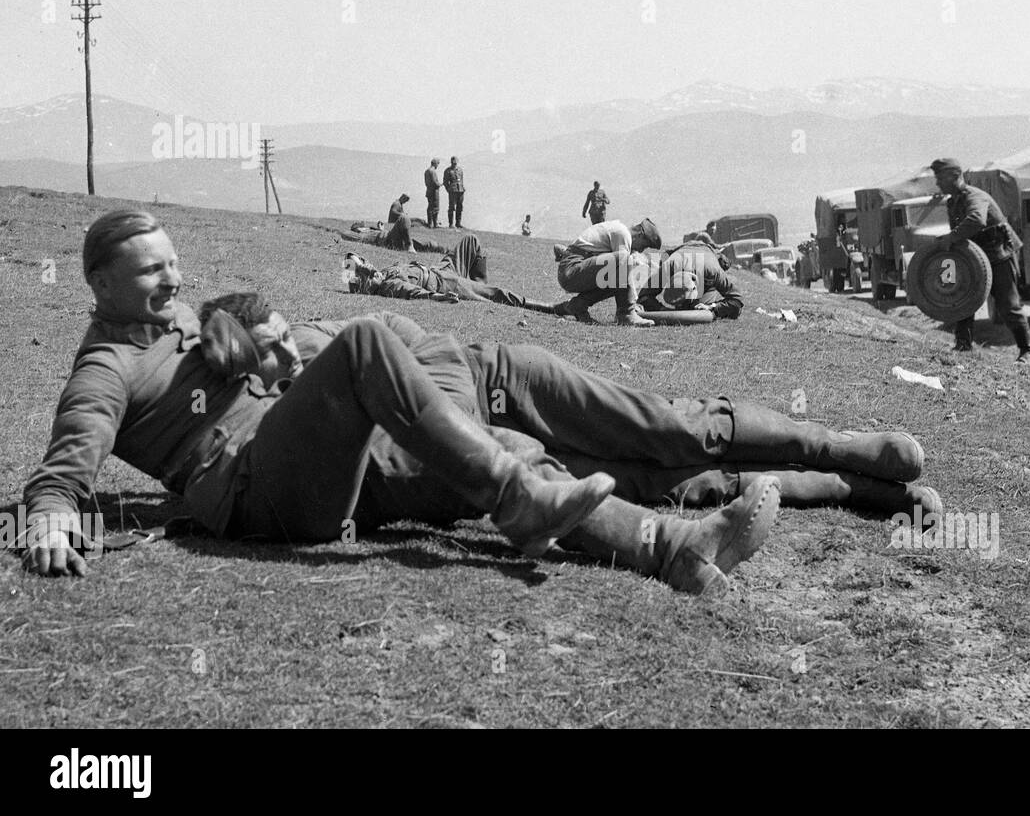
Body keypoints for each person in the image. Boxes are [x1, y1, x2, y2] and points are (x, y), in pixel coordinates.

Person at [17, 209, 619, 578]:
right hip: (258, 493)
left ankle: (667, 546)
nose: (172, 279)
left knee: (504, 441)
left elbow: (238, 343)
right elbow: (62, 472)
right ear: (100, 283)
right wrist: (48, 519)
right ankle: (515, 502)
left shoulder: (173, 319)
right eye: (152, 271)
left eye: (173, 264)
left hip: (298, 459)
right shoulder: (103, 369)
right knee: (363, 344)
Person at [203, 295, 939, 559]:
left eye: (283, 336)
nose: (283, 354)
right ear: (243, 370)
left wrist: (434, 408)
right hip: (490, 447)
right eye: (265, 355)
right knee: (656, 483)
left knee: (663, 427)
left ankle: (838, 443)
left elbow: (407, 336)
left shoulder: (336, 337)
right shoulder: (282, 424)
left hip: (503, 378)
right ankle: (846, 486)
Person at [930, 158, 1030, 363]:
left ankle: (1029, 351)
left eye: (940, 178)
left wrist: (950, 238)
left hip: (999, 255)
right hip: (975, 257)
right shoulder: (953, 201)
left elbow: (976, 220)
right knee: (964, 298)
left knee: (1008, 304)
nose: (937, 183)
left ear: (955, 176)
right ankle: (963, 345)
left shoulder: (974, 196)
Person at [343, 233, 556, 313]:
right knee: (497, 294)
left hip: (441, 269)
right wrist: (439, 297)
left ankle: (476, 284)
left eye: (365, 264)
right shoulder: (389, 286)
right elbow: (415, 293)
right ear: (366, 286)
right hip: (445, 283)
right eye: (367, 274)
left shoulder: (384, 273)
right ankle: (552, 307)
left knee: (471, 241)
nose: (371, 269)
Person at [553, 218, 662, 326]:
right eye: (644, 245)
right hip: (571, 270)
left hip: (572, 271)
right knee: (624, 258)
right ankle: (626, 314)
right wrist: (633, 304)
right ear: (639, 234)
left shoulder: (619, 231)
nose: (641, 250)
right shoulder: (622, 234)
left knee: (618, 278)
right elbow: (625, 262)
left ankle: (578, 305)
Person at [640, 239, 744, 319]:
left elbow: (737, 300)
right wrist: (662, 309)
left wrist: (712, 307)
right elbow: (644, 296)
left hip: (707, 253)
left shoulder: (713, 270)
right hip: (682, 250)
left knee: (732, 311)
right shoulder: (668, 266)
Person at [444, 157, 465, 228]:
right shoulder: (448, 171)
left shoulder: (460, 170)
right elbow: (445, 182)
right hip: (452, 191)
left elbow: (461, 180)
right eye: (453, 162)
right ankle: (451, 224)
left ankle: (458, 223)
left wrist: (462, 188)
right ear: (451, 162)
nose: (454, 164)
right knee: (451, 207)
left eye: (455, 162)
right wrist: (449, 190)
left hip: (460, 190)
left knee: (460, 207)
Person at [423, 158, 442, 228]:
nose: (437, 166)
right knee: (435, 207)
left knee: (430, 206)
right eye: (437, 164)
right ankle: (434, 223)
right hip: (434, 191)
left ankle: (430, 223)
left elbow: (426, 182)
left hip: (429, 191)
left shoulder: (427, 171)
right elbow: (434, 182)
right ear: (435, 163)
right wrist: (440, 184)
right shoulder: (432, 171)